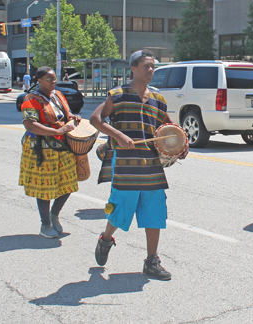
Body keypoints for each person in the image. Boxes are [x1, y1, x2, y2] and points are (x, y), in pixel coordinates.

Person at [90, 49, 188, 281]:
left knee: (154, 213)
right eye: (146, 66)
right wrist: (119, 135)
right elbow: (96, 119)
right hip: (126, 167)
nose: (151, 70)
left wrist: (180, 146)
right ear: (133, 69)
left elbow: (172, 131)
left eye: (153, 66)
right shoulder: (118, 95)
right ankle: (106, 239)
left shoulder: (159, 100)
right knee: (120, 211)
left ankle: (151, 261)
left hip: (152, 167)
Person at [19, 66, 81, 238]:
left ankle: (54, 214)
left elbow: (66, 115)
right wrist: (56, 132)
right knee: (45, 188)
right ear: (39, 81)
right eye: (50, 79)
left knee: (69, 183)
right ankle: (45, 224)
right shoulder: (31, 99)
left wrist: (73, 117)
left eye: (54, 79)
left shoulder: (59, 95)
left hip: (63, 146)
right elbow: (29, 124)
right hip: (41, 148)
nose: (54, 82)